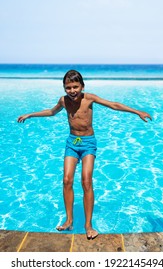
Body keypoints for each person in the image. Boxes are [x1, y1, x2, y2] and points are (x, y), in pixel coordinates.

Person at [18, 69, 152, 240]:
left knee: (86, 181)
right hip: (72, 143)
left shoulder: (89, 98)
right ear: (64, 88)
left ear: (82, 86)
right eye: (68, 87)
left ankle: (88, 225)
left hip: (88, 143)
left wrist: (137, 111)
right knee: (67, 180)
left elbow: (114, 105)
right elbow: (51, 112)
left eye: (75, 87)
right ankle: (69, 221)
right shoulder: (64, 101)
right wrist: (30, 114)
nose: (72, 91)